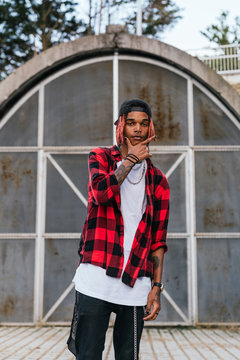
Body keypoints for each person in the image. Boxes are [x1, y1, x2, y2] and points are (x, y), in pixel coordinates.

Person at [67, 98, 170, 360]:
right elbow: (101, 193)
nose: (138, 129)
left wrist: (156, 288)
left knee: (128, 355)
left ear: (151, 129)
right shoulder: (100, 157)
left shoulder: (158, 181)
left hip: (136, 282)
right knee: (88, 354)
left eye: (144, 124)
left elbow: (158, 240)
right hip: (96, 278)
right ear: (121, 126)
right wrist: (133, 158)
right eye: (132, 123)